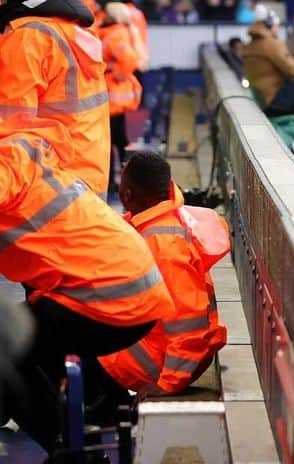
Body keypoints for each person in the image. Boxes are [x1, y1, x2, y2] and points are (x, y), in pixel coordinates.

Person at [0, 116, 174, 453]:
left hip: (109, 298)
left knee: (8, 347)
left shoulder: (9, 160)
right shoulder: (25, 152)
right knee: (29, 338)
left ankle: (65, 447)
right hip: (125, 291)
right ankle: (83, 419)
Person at [89, 152, 228, 409]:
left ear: (127, 195)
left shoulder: (164, 246)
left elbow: (189, 324)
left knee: (64, 341)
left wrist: (167, 384)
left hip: (158, 364)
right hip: (162, 353)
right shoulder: (159, 219)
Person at [0, 0, 111, 195]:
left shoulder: (26, 37)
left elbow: (11, 128)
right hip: (88, 181)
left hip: (52, 187)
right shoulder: (75, 27)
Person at [99, 3, 144, 194]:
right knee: (117, 142)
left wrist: (114, 74)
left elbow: (128, 59)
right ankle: (119, 182)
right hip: (115, 98)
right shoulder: (118, 31)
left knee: (114, 141)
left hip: (114, 98)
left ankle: (116, 182)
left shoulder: (115, 34)